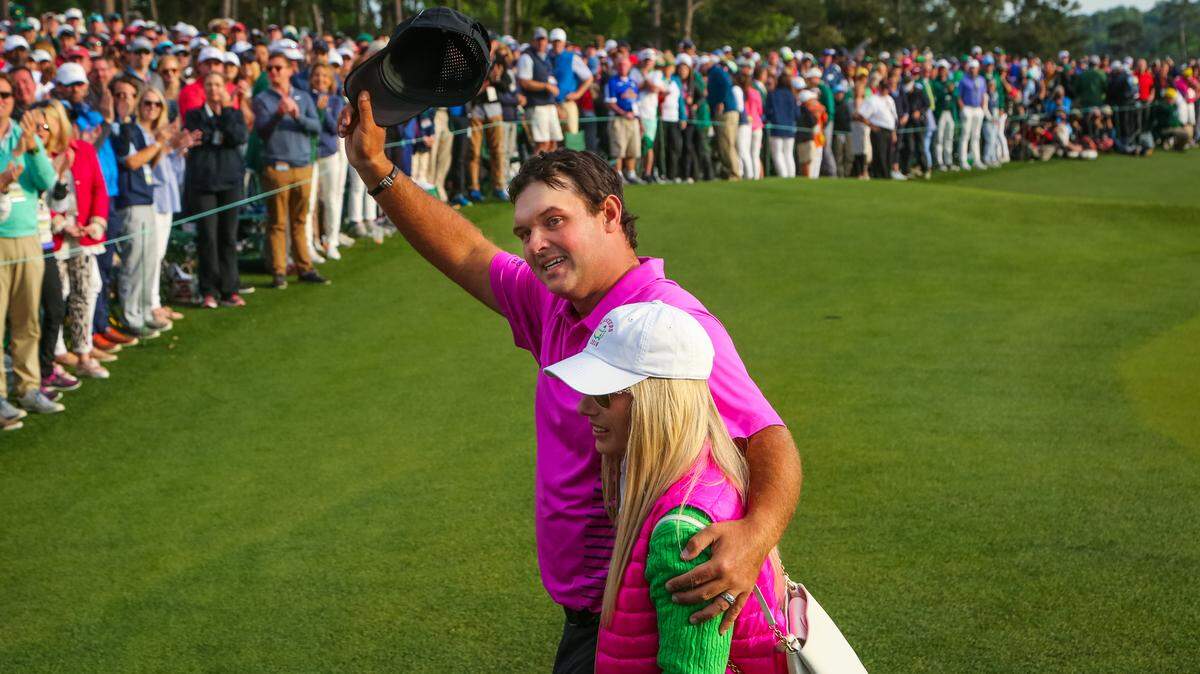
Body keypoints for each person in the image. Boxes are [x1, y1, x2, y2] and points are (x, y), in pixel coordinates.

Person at [340, 93, 801, 674]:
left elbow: (768, 437)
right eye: (525, 231)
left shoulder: (669, 322)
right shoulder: (553, 301)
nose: (534, 245)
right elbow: (466, 252)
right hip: (596, 613)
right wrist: (375, 169)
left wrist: (756, 536)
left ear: (609, 214)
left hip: (649, 608)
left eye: (553, 221)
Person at [543, 301, 788, 674]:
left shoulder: (682, 537)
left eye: (604, 395)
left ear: (655, 402)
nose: (584, 408)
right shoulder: (712, 471)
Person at [0, 73, 63, 423]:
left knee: (28, 320)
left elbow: (47, 182)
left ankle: (28, 387)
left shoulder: (24, 137)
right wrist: (11, 166)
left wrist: (34, 147)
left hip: (28, 238)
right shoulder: (11, 145)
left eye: (6, 95)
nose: (2, 100)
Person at [36, 100, 112, 380]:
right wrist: (61, 224)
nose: (47, 128)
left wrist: (97, 222)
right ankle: (55, 352)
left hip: (84, 236)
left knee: (86, 289)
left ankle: (83, 352)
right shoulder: (40, 156)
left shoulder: (85, 151)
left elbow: (98, 190)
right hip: (54, 240)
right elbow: (43, 198)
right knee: (59, 296)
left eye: (51, 122)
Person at [252, 52, 328, 288]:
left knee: (300, 220)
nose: (274, 72)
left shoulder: (303, 97)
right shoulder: (263, 99)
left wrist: (296, 115)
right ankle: (279, 270)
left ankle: (305, 267)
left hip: (303, 166)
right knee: (277, 222)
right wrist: (278, 114)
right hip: (277, 167)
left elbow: (316, 127)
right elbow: (262, 132)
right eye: (270, 68)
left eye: (278, 68)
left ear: (289, 70)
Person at [184, 71, 248, 308]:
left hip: (230, 182)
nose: (214, 89)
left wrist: (217, 133)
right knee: (208, 238)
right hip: (204, 184)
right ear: (204, 89)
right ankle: (209, 289)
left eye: (218, 84)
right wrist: (218, 136)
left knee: (228, 237)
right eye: (209, 84)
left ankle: (230, 289)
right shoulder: (194, 115)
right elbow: (200, 136)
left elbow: (238, 136)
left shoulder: (233, 113)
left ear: (224, 88)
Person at [307, 63, 346, 261]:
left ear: (331, 80)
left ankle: (332, 241)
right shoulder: (306, 98)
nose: (320, 79)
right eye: (317, 75)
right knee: (309, 202)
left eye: (324, 76)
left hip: (330, 154)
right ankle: (309, 245)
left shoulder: (336, 100)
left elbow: (334, 128)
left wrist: (323, 112)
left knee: (332, 199)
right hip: (311, 157)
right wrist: (316, 109)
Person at [517, 27, 563, 154]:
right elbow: (524, 82)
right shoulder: (526, 57)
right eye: (538, 40)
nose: (542, 43)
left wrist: (555, 104)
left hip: (549, 105)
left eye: (544, 40)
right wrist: (545, 86)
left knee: (554, 142)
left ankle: (549, 173)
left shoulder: (546, 58)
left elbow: (550, 80)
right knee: (542, 144)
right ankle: (533, 173)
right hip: (536, 106)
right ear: (533, 41)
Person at [605, 55, 641, 184]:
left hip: (633, 119)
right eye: (620, 64)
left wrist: (636, 117)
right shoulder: (612, 82)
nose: (623, 67)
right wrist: (624, 113)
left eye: (625, 64)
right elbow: (610, 102)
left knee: (633, 147)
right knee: (618, 148)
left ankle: (631, 173)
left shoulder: (632, 82)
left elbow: (636, 102)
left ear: (630, 66)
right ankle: (618, 175)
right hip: (619, 119)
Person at [764, 74, 797, 178]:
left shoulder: (772, 94)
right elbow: (797, 113)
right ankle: (790, 176)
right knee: (788, 153)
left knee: (778, 153)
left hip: (776, 128)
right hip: (789, 128)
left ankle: (784, 176)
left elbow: (768, 112)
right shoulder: (792, 96)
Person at [957, 59, 987, 170]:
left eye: (975, 68)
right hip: (968, 108)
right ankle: (963, 160)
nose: (973, 70)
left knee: (976, 136)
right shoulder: (964, 80)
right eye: (971, 68)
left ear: (978, 69)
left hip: (977, 109)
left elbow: (983, 94)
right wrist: (963, 108)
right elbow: (958, 96)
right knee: (965, 135)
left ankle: (976, 160)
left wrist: (982, 107)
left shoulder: (981, 80)